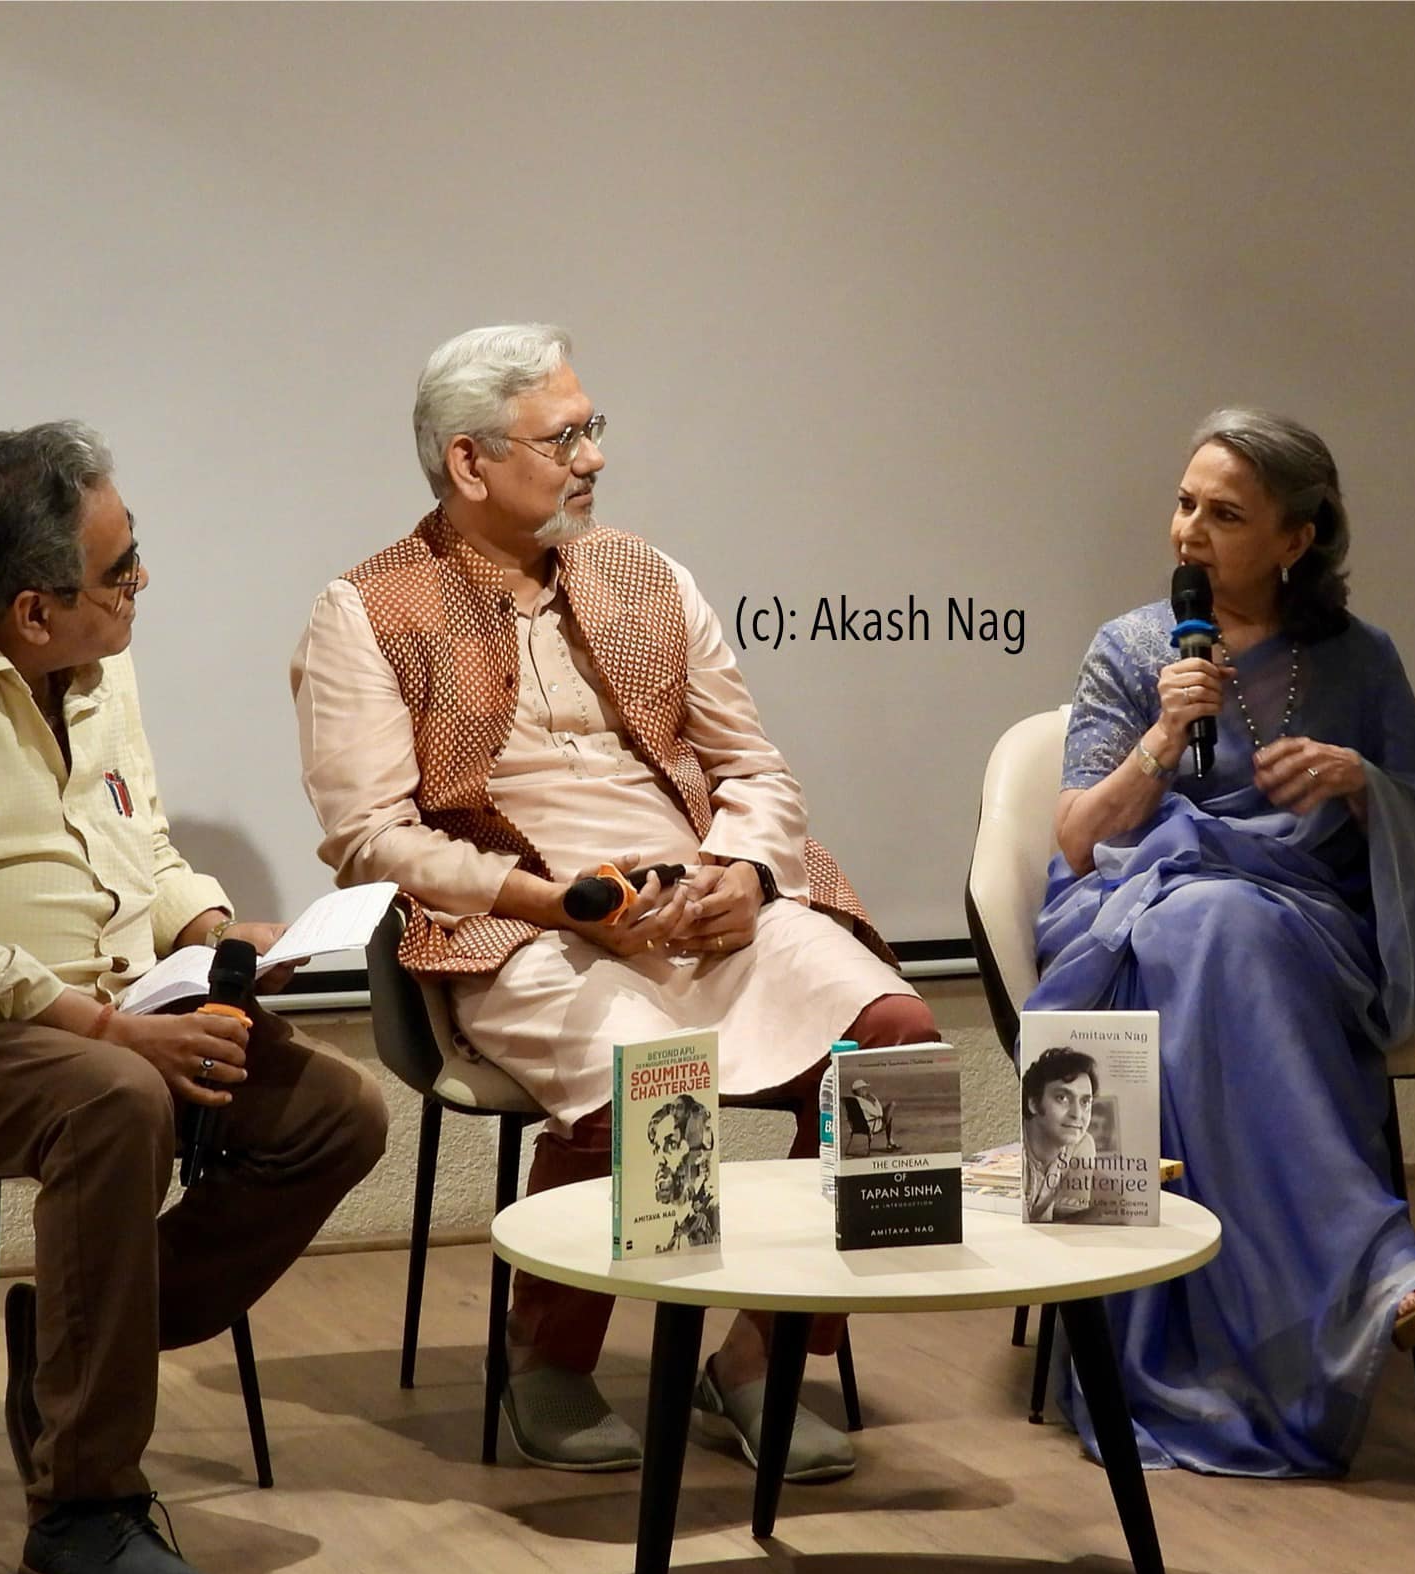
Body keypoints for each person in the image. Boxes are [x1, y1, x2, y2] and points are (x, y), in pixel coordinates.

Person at [290, 324, 937, 1483]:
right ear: (470, 460)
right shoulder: (368, 607)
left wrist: (745, 872)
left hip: (701, 903)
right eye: (564, 437)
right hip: (522, 920)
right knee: (652, 1073)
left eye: (593, 429)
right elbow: (370, 836)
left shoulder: (648, 574)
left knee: (900, 1048)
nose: (593, 457)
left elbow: (753, 767)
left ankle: (764, 1356)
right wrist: (551, 901)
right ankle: (550, 1356)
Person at [0, 422, 386, 1574]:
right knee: (120, 1101)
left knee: (336, 1112)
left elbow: (138, 847)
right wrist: (107, 1033)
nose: (141, 583)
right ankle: (81, 1510)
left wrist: (215, 930)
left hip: (104, 1001)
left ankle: (64, 1345)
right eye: (121, 569)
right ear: (32, 609)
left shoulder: (101, 669)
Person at [1028, 407, 1415, 1476]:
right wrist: (1160, 737)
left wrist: (1359, 785)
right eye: (1185, 502)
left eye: (1224, 515)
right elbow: (1080, 837)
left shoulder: (1362, 661)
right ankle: (1370, 1263)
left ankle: (1307, 1309)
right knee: (1204, 921)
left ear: (1296, 539)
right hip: (1136, 907)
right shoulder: (1130, 648)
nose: (1188, 530)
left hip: (1302, 923)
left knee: (1226, 929)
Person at [1020, 1047, 1098, 1221]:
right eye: (1062, 1098)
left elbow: (1071, 1220)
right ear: (1033, 1104)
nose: (1077, 1114)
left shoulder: (1082, 1144)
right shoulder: (1018, 1147)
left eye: (1085, 1102)